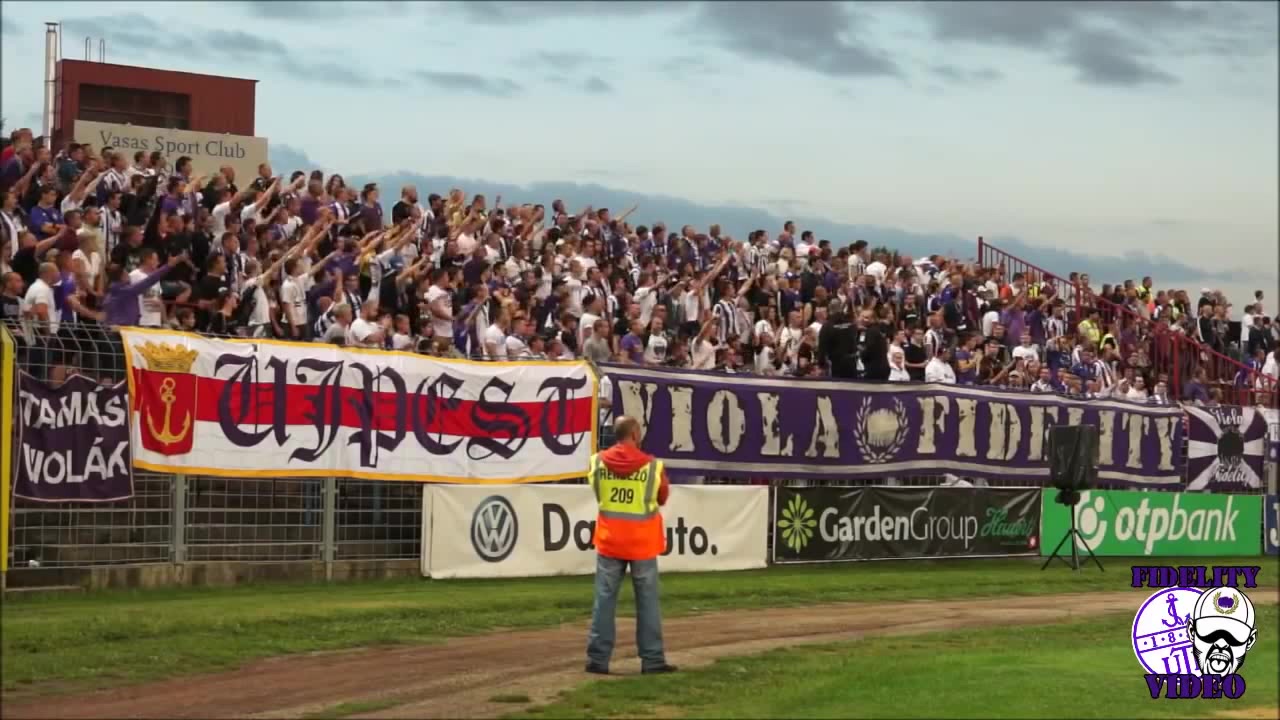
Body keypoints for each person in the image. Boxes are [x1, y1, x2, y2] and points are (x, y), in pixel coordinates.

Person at [585, 415, 677, 676]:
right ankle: (652, 660)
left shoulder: (597, 462)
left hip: (610, 540)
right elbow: (663, 496)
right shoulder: (652, 466)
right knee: (647, 603)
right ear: (635, 434)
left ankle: (597, 659)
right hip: (642, 543)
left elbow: (598, 493)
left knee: (604, 601)